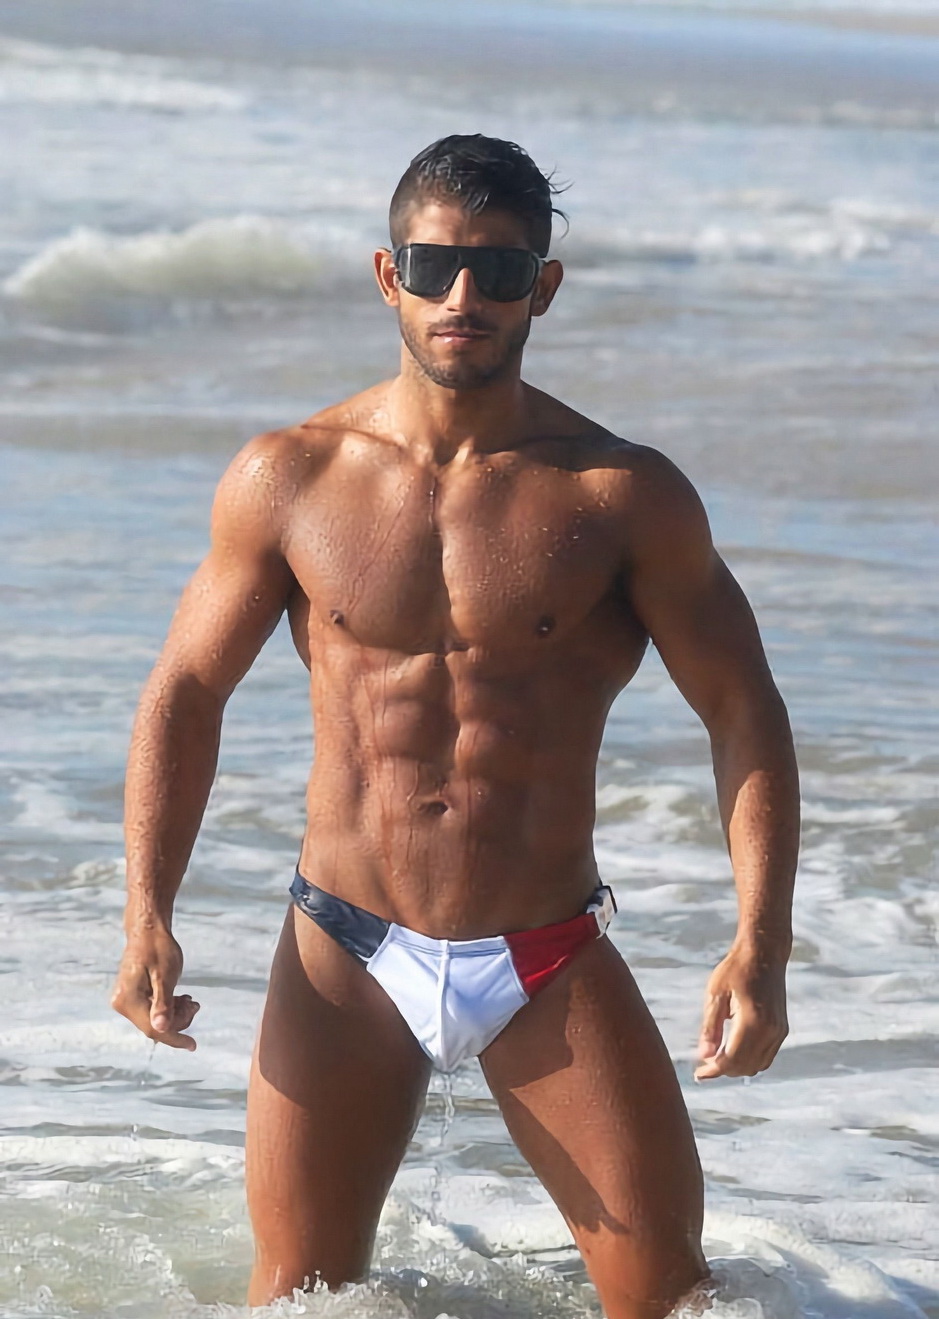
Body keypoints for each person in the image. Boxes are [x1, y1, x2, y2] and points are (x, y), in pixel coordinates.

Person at [112, 134, 799, 1319]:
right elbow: (184, 690)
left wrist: (762, 942)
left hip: (543, 952)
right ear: (390, 275)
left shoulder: (618, 495)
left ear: (546, 285)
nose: (463, 295)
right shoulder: (292, 476)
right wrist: (146, 909)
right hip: (345, 945)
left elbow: (743, 709)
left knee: (675, 1302)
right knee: (298, 1299)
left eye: (500, 268)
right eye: (433, 266)